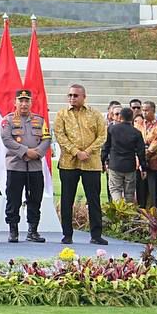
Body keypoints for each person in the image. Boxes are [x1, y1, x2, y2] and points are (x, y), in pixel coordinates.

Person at [54, 83, 109, 245]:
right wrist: (76, 152)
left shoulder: (95, 114)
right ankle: (67, 234)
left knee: (93, 199)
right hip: (68, 163)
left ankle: (96, 235)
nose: (72, 98)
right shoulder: (62, 114)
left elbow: (102, 136)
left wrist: (88, 151)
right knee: (66, 200)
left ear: (84, 97)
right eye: (70, 95)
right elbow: (60, 135)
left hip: (91, 163)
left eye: (75, 95)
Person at [0, 89, 51, 243]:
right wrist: (25, 152)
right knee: (13, 199)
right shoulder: (7, 120)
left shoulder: (40, 120)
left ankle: (33, 230)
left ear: (31, 102)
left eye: (26, 101)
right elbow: (7, 139)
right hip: (16, 166)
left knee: (35, 198)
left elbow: (47, 138)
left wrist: (38, 152)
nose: (23, 104)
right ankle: (13, 230)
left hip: (35, 166)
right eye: (20, 101)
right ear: (15, 102)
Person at [102, 107, 147, 203]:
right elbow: (141, 151)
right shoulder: (136, 132)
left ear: (120, 117)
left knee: (115, 189)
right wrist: (143, 167)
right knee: (129, 192)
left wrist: (102, 161)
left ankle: (119, 210)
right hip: (130, 165)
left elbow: (106, 147)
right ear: (132, 117)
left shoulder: (112, 129)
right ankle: (128, 213)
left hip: (115, 164)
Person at [139, 100, 157, 209]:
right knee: (141, 192)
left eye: (147, 110)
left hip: (154, 163)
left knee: (155, 192)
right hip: (140, 163)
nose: (144, 112)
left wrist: (145, 154)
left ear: (153, 111)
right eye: (143, 110)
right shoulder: (139, 124)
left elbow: (156, 143)